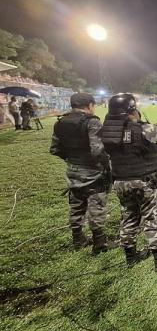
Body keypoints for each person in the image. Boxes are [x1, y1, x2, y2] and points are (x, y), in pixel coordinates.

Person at [99, 93, 157, 271]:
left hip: (120, 182)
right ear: (132, 110)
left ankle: (131, 255)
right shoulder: (144, 129)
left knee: (129, 216)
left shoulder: (107, 132)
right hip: (144, 181)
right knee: (152, 217)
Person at [49, 92, 113, 254]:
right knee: (96, 205)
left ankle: (78, 238)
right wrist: (106, 166)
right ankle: (99, 243)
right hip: (93, 172)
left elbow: (55, 149)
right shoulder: (92, 122)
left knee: (76, 206)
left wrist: (72, 159)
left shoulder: (61, 123)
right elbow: (98, 149)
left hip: (72, 171)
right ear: (90, 105)